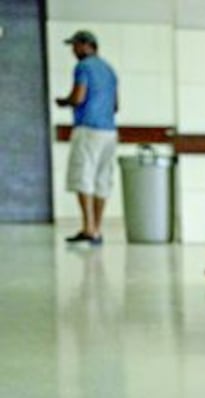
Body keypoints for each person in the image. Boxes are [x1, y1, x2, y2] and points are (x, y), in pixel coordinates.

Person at [55, 30, 118, 247]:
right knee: (102, 180)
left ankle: (88, 228)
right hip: (109, 131)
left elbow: (78, 97)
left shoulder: (83, 67)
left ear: (86, 45)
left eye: (75, 46)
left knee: (84, 177)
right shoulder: (109, 70)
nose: (73, 51)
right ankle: (97, 229)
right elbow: (115, 105)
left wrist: (65, 102)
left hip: (88, 129)